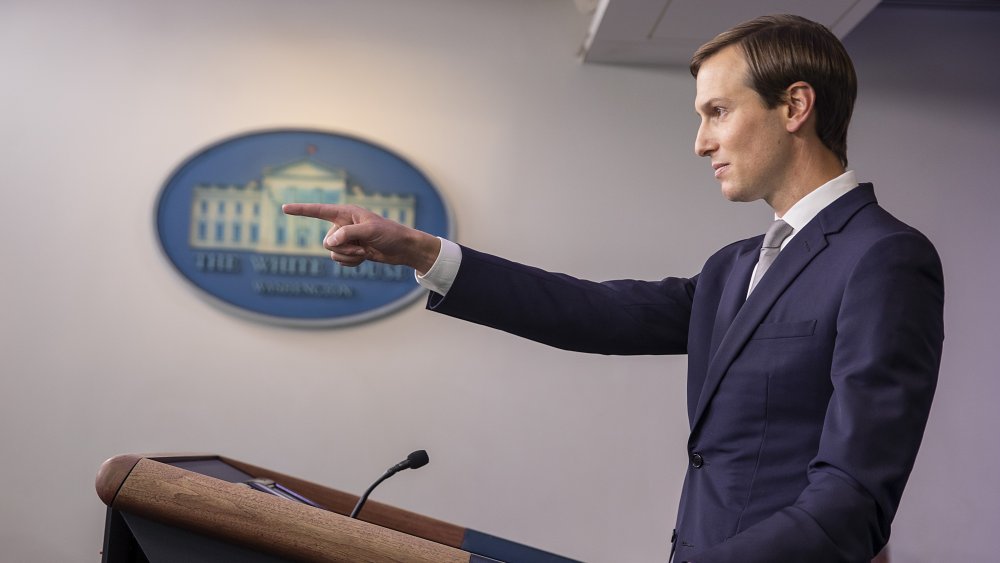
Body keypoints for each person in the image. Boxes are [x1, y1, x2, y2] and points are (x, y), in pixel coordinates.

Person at [283, 14, 944, 563]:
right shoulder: (734, 265)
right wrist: (423, 251)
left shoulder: (883, 259)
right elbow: (596, 313)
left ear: (795, 106)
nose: (700, 141)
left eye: (717, 112)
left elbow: (851, 500)